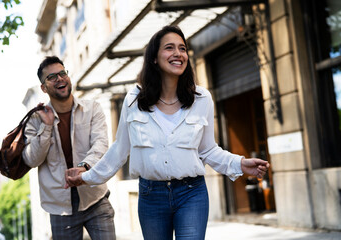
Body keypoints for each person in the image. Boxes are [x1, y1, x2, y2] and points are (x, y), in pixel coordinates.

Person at [65, 25, 270, 239]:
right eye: (169, 48)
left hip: (192, 193)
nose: (178, 54)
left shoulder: (201, 98)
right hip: (151, 195)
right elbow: (119, 149)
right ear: (154, 58)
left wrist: (239, 163)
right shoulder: (134, 99)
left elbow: (207, 149)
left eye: (182, 48)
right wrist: (88, 177)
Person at [22, 56, 116, 239]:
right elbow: (32, 159)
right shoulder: (35, 119)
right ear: (43, 87)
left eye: (62, 73)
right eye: (52, 77)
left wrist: (84, 167)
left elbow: (101, 144)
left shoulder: (92, 108)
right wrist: (47, 126)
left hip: (95, 196)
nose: (59, 79)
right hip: (60, 207)